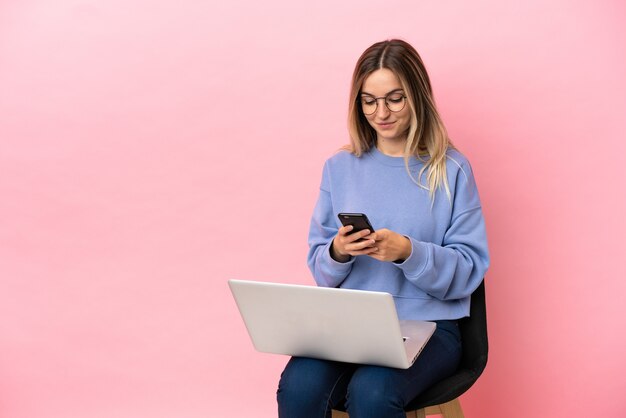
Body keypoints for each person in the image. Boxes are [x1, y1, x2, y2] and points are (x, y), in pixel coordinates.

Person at [276, 39, 490, 418]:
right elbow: (321, 268)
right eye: (369, 100)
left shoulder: (451, 169)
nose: (381, 112)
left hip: (430, 325)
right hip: (350, 324)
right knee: (298, 387)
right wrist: (339, 252)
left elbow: (470, 269)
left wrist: (409, 252)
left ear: (417, 95)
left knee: (373, 392)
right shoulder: (339, 167)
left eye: (395, 98)